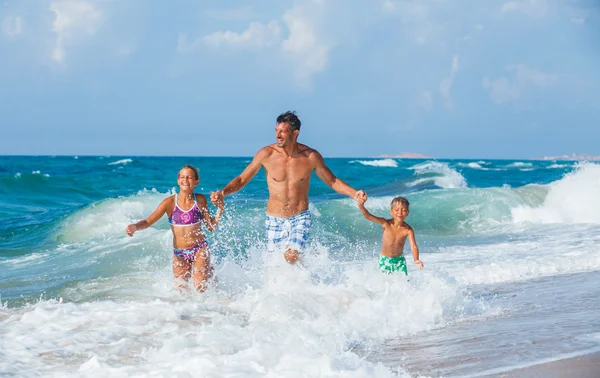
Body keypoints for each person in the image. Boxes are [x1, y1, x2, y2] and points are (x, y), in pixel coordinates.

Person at [210, 111, 366, 264]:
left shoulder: (310, 156)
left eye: (282, 132)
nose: (278, 135)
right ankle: (298, 283)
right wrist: (223, 193)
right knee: (275, 265)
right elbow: (242, 179)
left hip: (299, 217)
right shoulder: (267, 154)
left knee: (291, 256)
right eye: (276, 131)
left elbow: (332, 181)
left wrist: (354, 193)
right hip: (274, 218)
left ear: (295, 133)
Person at [125, 165, 224, 291]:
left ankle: (212, 305)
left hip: (199, 249)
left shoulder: (200, 200)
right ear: (178, 181)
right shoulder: (169, 203)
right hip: (180, 253)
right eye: (182, 177)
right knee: (181, 291)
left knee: (200, 288)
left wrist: (220, 209)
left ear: (196, 182)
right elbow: (148, 221)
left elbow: (211, 227)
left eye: (189, 177)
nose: (185, 180)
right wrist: (134, 227)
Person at [357, 195, 424, 275]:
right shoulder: (386, 224)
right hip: (384, 260)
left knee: (403, 283)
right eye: (397, 210)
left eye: (403, 210)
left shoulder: (408, 230)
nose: (400, 212)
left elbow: (413, 246)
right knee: (384, 283)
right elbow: (367, 216)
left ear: (407, 213)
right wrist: (361, 205)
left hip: (399, 261)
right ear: (391, 212)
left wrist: (416, 259)